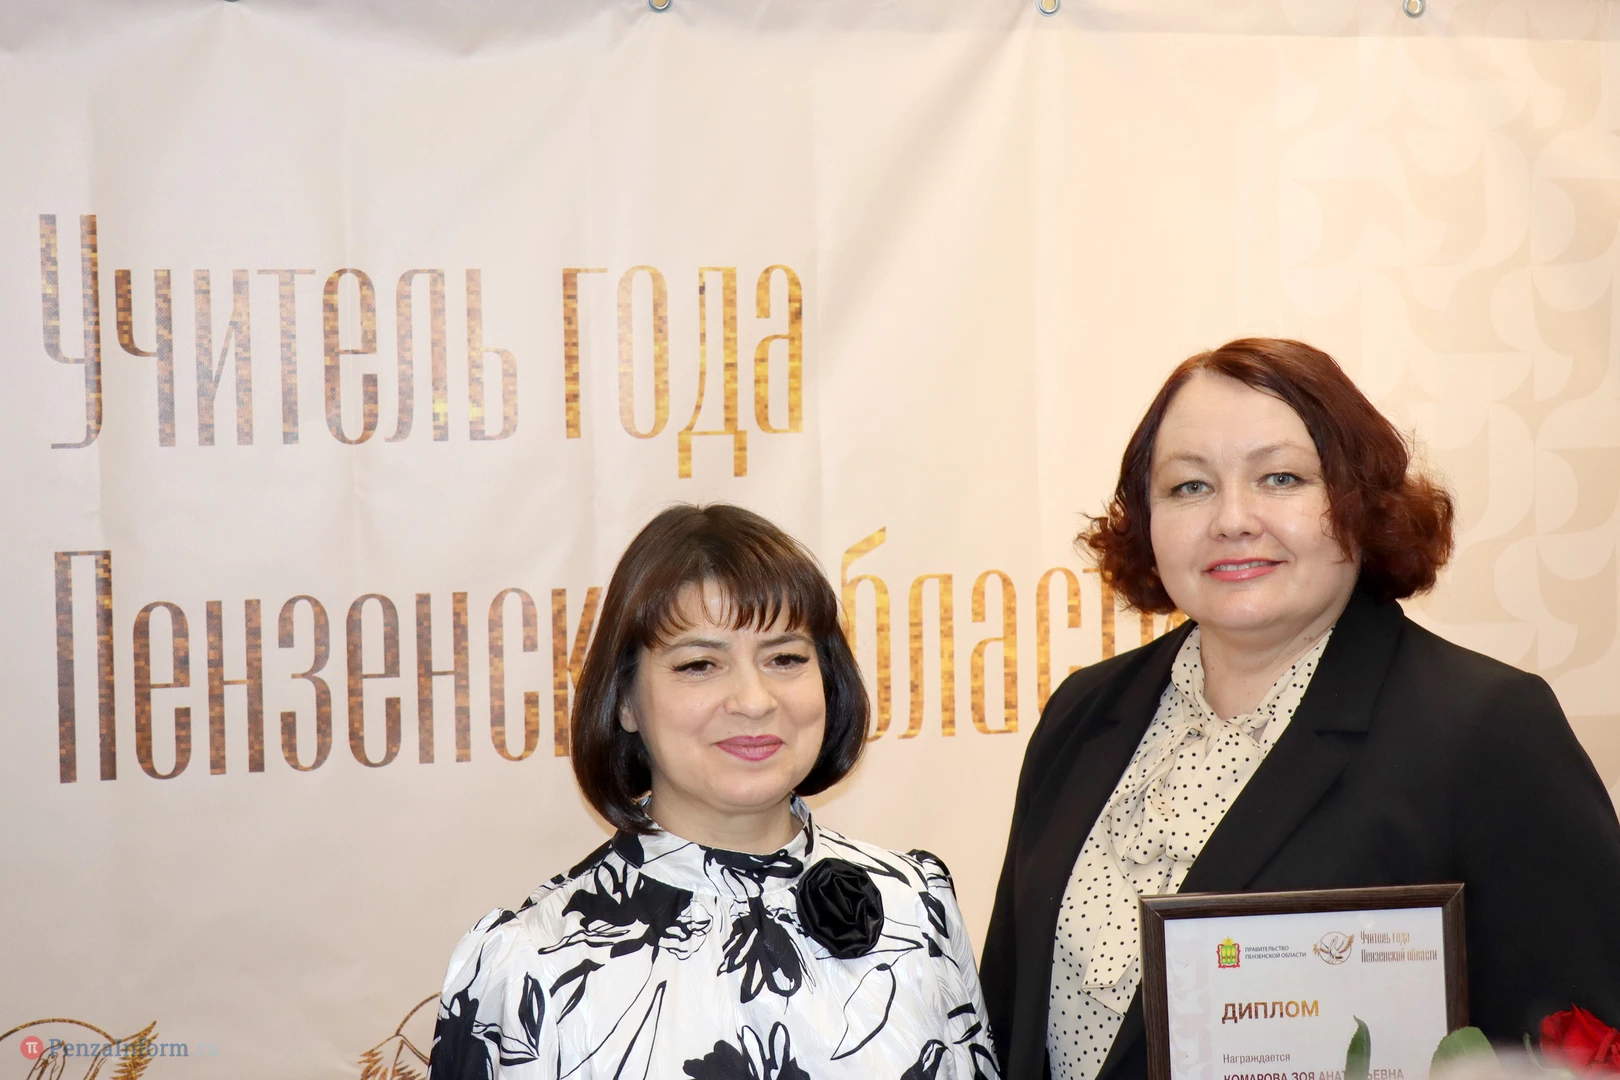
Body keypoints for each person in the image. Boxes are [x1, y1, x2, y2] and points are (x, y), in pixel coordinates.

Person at [980, 338, 1620, 1080]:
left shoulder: (1486, 727)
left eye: (1280, 478)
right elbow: (1002, 1018)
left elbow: (1582, 1045)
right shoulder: (1083, 713)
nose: (1233, 519)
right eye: (1190, 486)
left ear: (1359, 499)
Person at [430, 503, 1001, 1080]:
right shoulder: (531, 966)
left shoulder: (915, 905)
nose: (754, 701)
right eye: (700, 665)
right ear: (625, 701)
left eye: (785, 658)